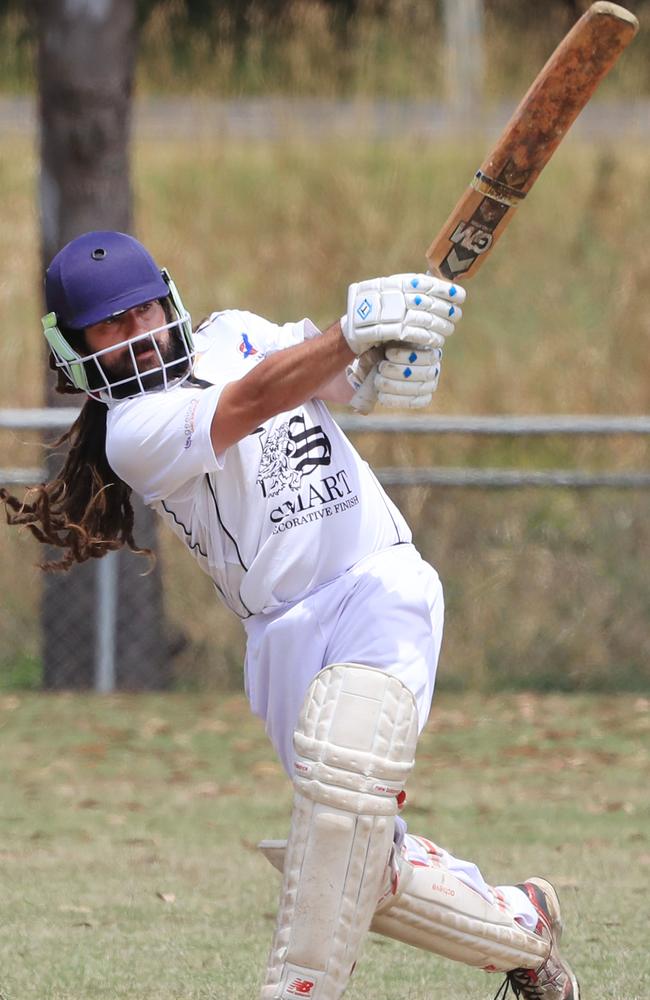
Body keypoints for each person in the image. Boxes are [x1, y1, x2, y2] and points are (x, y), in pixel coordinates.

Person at [1, 230, 580, 1000]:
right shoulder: (132, 432)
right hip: (280, 637)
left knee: (343, 806)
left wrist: (388, 360)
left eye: (142, 313)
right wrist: (352, 332)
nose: (135, 337)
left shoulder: (238, 330)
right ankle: (523, 925)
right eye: (108, 328)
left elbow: (339, 382)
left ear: (169, 302)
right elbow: (252, 399)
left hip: (376, 584)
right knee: (358, 868)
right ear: (76, 349)